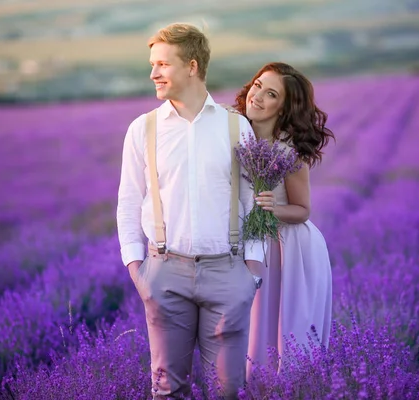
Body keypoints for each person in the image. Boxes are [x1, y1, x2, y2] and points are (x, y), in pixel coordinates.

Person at [116, 23, 264, 399]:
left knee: (229, 390)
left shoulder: (237, 127)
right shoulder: (142, 130)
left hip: (228, 273)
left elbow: (253, 200)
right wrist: (138, 272)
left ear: (192, 66)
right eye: (153, 64)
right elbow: (128, 202)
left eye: (162, 64)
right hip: (165, 273)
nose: (153, 73)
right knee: (167, 389)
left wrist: (253, 272)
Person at [231, 62, 334, 376]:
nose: (257, 96)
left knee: (286, 336)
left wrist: (273, 209)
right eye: (258, 85)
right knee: (248, 332)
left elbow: (302, 210)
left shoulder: (289, 151)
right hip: (249, 244)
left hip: (288, 248)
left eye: (271, 94)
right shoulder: (235, 132)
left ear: (284, 108)